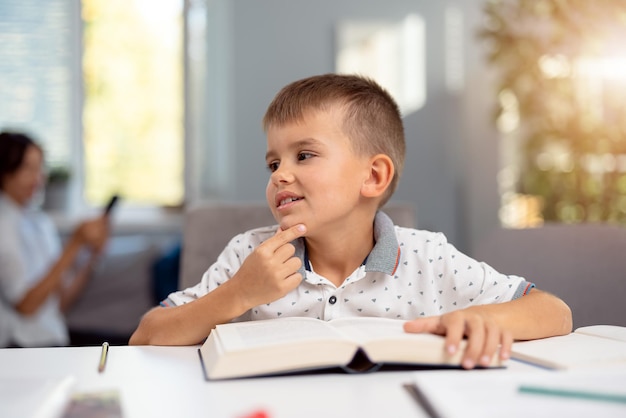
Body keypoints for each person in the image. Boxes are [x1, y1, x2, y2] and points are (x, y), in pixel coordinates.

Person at [130, 74, 572, 369]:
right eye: (272, 163)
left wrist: (480, 318)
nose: (280, 174)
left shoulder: (427, 257)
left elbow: (555, 312)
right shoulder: (250, 255)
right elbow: (146, 338)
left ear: (373, 176)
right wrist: (238, 294)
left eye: (303, 155)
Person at [0, 131, 110, 347]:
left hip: (53, 338)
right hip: (20, 344)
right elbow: (26, 306)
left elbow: (61, 302)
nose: (38, 178)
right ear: (5, 172)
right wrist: (75, 244)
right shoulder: (4, 225)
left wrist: (92, 257)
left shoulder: (41, 223)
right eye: (28, 169)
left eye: (40, 168)